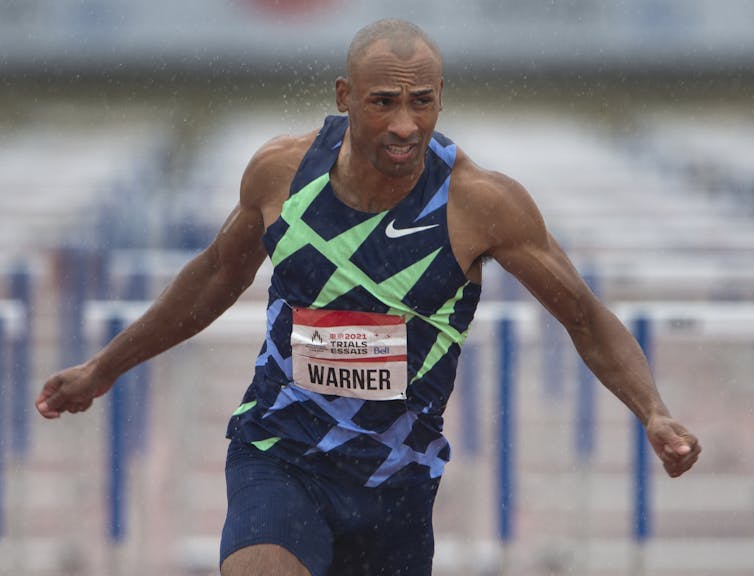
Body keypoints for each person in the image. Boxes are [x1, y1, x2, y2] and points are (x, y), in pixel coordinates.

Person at [36, 18, 701, 576]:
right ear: (344, 96)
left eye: (423, 103)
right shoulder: (281, 173)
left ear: (441, 99)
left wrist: (654, 411)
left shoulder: (482, 205)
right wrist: (103, 369)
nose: (405, 125)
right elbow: (212, 277)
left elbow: (583, 318)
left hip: (396, 483)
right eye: (384, 102)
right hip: (280, 454)